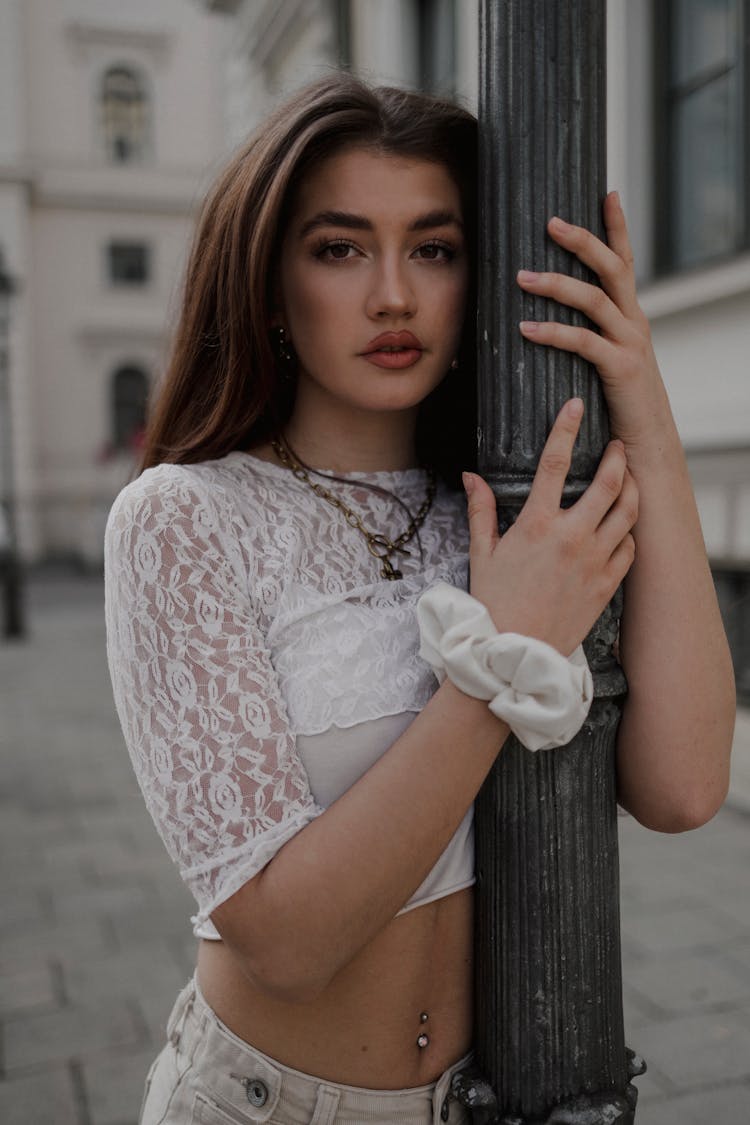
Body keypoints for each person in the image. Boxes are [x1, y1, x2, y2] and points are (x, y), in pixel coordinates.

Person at [103, 72, 735, 1125]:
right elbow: (284, 941)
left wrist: (648, 419)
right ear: (268, 281)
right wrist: (504, 657)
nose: (393, 295)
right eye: (339, 248)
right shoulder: (185, 518)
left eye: (434, 249)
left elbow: (682, 789)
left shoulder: (509, 504)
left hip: (491, 1101)